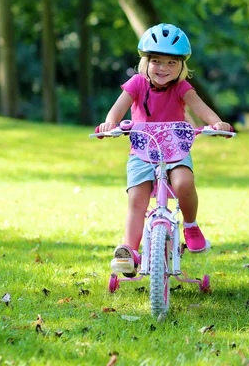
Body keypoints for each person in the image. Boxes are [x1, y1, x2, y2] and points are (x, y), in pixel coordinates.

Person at [98, 23, 233, 277]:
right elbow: (118, 108)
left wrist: (216, 122)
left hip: (175, 149)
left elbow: (201, 108)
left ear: (181, 66)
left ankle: (191, 226)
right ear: (145, 62)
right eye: (157, 61)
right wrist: (110, 123)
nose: (163, 68)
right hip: (142, 150)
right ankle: (130, 250)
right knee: (137, 199)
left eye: (172, 63)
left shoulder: (181, 87)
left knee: (184, 183)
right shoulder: (137, 83)